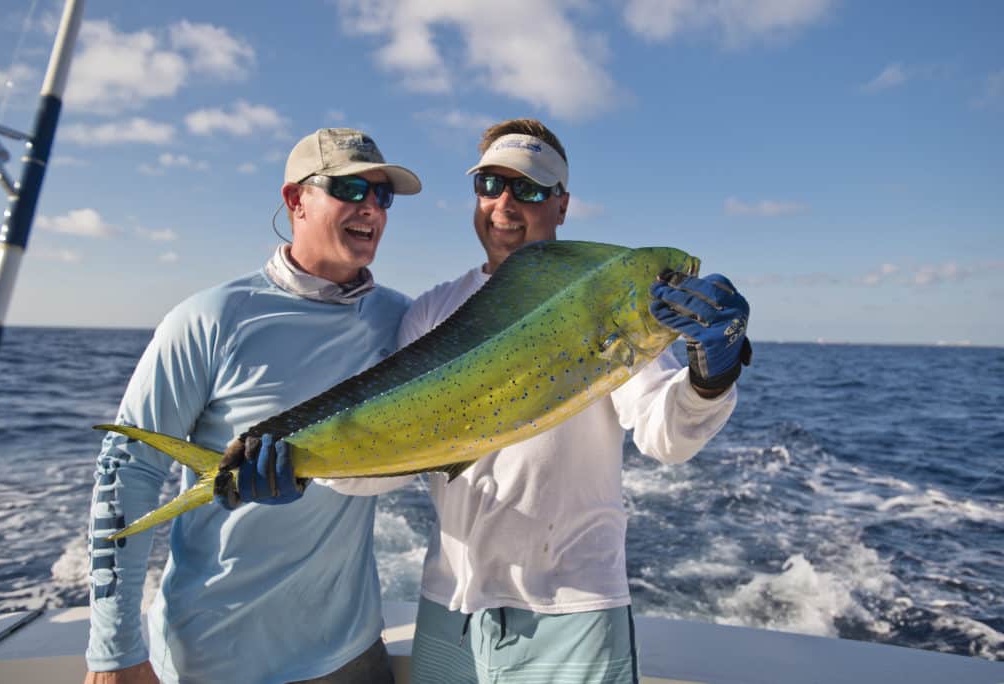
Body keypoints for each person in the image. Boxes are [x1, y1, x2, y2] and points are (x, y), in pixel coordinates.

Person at [255, 118, 752, 683]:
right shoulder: (432, 313)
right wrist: (303, 470)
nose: (505, 203)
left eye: (531, 189)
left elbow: (667, 436)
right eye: (490, 185)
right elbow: (398, 452)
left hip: (573, 610)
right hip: (451, 609)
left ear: (562, 206)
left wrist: (710, 377)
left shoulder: (608, 303)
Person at [84, 127, 421, 684]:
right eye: (349, 188)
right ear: (296, 200)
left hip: (352, 654)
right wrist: (113, 650)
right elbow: (127, 473)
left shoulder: (402, 322)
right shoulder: (210, 318)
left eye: (381, 195)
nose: (370, 208)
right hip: (214, 658)